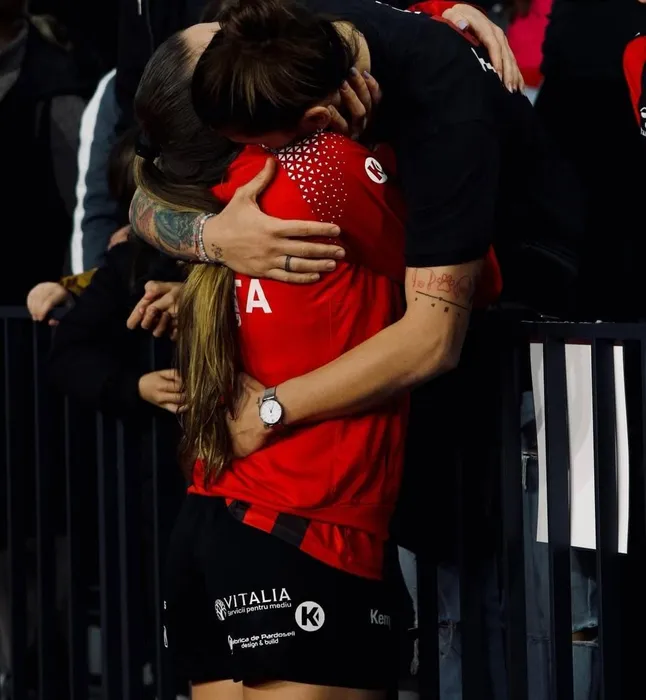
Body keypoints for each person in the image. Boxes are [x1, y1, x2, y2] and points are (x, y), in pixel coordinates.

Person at [132, 21, 504, 699]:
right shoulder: (322, 166)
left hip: (217, 521)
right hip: (309, 529)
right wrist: (387, 156)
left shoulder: (221, 203)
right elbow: (475, 284)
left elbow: (141, 197)